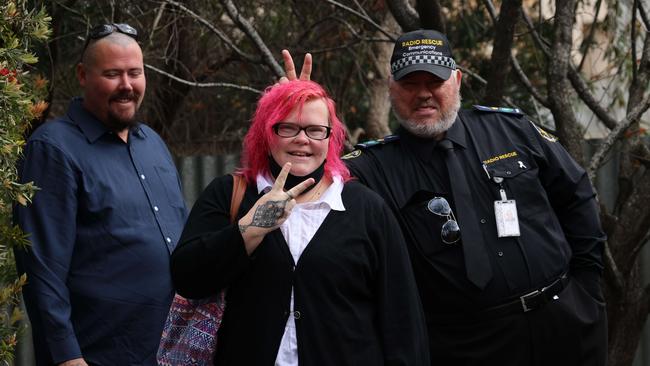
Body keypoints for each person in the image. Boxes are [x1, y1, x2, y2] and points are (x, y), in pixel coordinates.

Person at [286, 29, 607, 366]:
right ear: (392, 87)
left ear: (457, 80)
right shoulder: (372, 169)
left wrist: (587, 289)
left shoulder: (512, 130)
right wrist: (295, 116)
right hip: (466, 345)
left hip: (564, 324)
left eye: (434, 82)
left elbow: (577, 195)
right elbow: (302, 190)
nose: (423, 94)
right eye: (410, 83)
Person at [170, 80, 429, 366]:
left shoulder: (367, 209)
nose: (302, 139)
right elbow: (187, 277)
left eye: (316, 130)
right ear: (267, 135)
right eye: (288, 127)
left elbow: (402, 320)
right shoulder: (230, 194)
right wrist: (251, 228)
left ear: (330, 139)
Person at [14, 24, 187, 366]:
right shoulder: (53, 149)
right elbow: (42, 271)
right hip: (99, 356)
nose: (126, 85)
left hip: (170, 353)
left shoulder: (152, 143)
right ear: (82, 75)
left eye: (134, 73)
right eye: (112, 74)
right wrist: (67, 357)